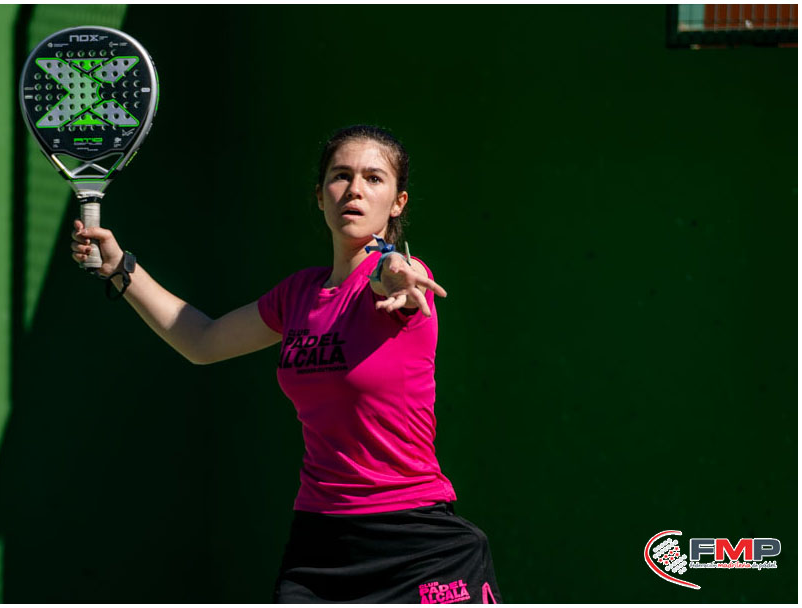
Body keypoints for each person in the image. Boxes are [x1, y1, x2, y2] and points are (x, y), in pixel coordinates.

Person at [70, 125, 501, 604]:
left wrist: (399, 272)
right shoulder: (298, 295)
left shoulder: (402, 282)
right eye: (340, 176)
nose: (354, 189)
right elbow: (202, 340)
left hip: (416, 541)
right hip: (320, 545)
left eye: (374, 178)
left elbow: (393, 271)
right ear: (320, 196)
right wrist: (121, 269)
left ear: (397, 202)